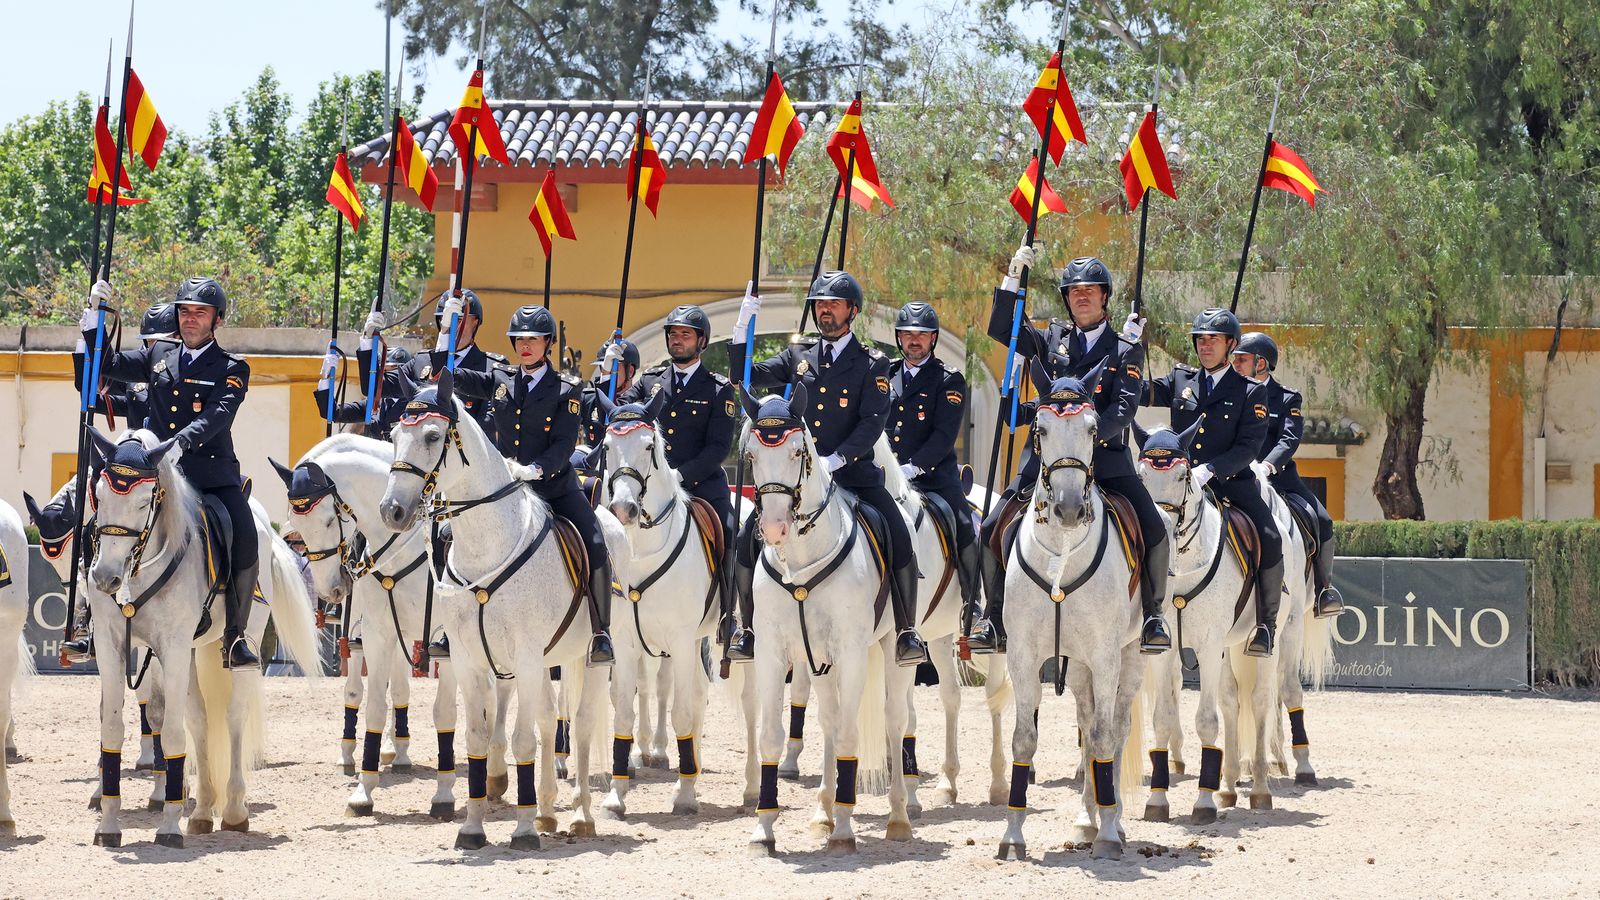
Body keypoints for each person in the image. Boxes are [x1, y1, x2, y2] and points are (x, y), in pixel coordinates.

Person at [968, 247, 1172, 655]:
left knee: (1154, 528)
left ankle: (1152, 615)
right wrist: (1012, 276)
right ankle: (992, 617)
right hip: (1043, 460)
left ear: (1104, 297)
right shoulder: (1051, 339)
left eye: (1091, 290)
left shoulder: (1125, 346)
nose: (1082, 296)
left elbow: (1123, 408)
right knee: (991, 528)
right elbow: (1001, 328)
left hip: (1107, 459)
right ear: (1066, 298)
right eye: (1074, 291)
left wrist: (1082, 441)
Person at [728, 272, 928, 666]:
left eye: (833, 304)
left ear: (852, 311)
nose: (825, 311)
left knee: (899, 533)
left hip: (854, 474)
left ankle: (906, 630)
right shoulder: (798, 357)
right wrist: (740, 331)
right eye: (820, 304)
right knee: (744, 540)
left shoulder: (873, 363)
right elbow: (744, 378)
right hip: (797, 480)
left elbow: (873, 421)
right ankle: (747, 628)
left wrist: (836, 460)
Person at [78, 276, 260, 668]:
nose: (190, 319)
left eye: (200, 312)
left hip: (209, 476)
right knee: (104, 521)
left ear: (217, 320)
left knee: (244, 535)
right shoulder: (159, 354)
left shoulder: (232, 367)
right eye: (184, 311)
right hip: (157, 478)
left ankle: (234, 637)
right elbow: (105, 366)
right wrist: (94, 318)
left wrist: (180, 443)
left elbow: (218, 415)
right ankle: (90, 617)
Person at [441, 303, 615, 667]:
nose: (525, 346)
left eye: (534, 339)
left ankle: (601, 632)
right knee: (447, 534)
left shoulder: (566, 387)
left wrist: (535, 469)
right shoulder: (500, 379)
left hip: (552, 486)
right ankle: (450, 625)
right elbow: (451, 374)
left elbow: (566, 444)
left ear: (548, 343)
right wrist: (448, 331)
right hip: (507, 491)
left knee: (596, 543)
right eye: (519, 339)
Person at [1143, 308, 1280, 657]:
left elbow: (1248, 447)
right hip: (1180, 486)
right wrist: (1131, 346)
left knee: (1269, 535)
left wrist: (1211, 470)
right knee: (1143, 528)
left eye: (1213, 340)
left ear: (1230, 345)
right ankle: (1149, 615)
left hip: (1230, 483)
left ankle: (1265, 625)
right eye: (1201, 340)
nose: (1205, 346)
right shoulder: (1180, 379)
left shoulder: (1249, 391)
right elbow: (1140, 391)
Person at [62, 302, 180, 660]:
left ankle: (233, 618)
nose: (153, 352)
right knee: (91, 532)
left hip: (181, 472)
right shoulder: (137, 387)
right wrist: (88, 345)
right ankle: (90, 620)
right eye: (148, 345)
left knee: (224, 527)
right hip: (135, 481)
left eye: (161, 345)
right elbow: (91, 395)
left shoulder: (188, 377)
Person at [617, 305, 737, 640]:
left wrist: (677, 476)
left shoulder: (718, 389)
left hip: (700, 486)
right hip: (650, 491)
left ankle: (731, 615)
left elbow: (718, 448)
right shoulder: (650, 383)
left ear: (702, 341)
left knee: (734, 536)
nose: (677, 340)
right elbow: (621, 411)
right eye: (673, 334)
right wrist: (607, 376)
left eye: (685, 335)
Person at [883, 301, 984, 641]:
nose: (914, 341)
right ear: (898, 338)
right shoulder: (884, 375)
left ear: (933, 339)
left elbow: (944, 436)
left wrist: (912, 468)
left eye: (922, 335)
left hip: (933, 478)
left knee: (962, 524)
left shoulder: (949, 380)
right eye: (908, 334)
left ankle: (974, 601)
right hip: (886, 475)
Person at [1230, 332, 1344, 619]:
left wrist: (1267, 466)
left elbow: (1288, 440)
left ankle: (1323, 591)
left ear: (1262, 364)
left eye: (1242, 359)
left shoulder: (1287, 398)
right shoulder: (1230, 392)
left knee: (1322, 520)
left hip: (1277, 478)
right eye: (1234, 359)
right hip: (1234, 475)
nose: (1235, 364)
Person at [357, 289, 504, 432]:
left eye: (459, 320)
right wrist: (368, 340)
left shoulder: (491, 368)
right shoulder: (422, 361)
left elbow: (490, 422)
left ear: (475, 322)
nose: (453, 327)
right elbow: (375, 388)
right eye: (444, 320)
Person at [315, 341, 414, 441]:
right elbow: (332, 413)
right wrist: (325, 376)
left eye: (392, 372)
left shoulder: (415, 404)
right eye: (382, 371)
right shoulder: (374, 403)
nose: (385, 376)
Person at [581, 338, 641, 447]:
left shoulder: (640, 403)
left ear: (630, 371)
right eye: (603, 368)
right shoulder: (588, 400)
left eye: (611, 367)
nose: (606, 372)